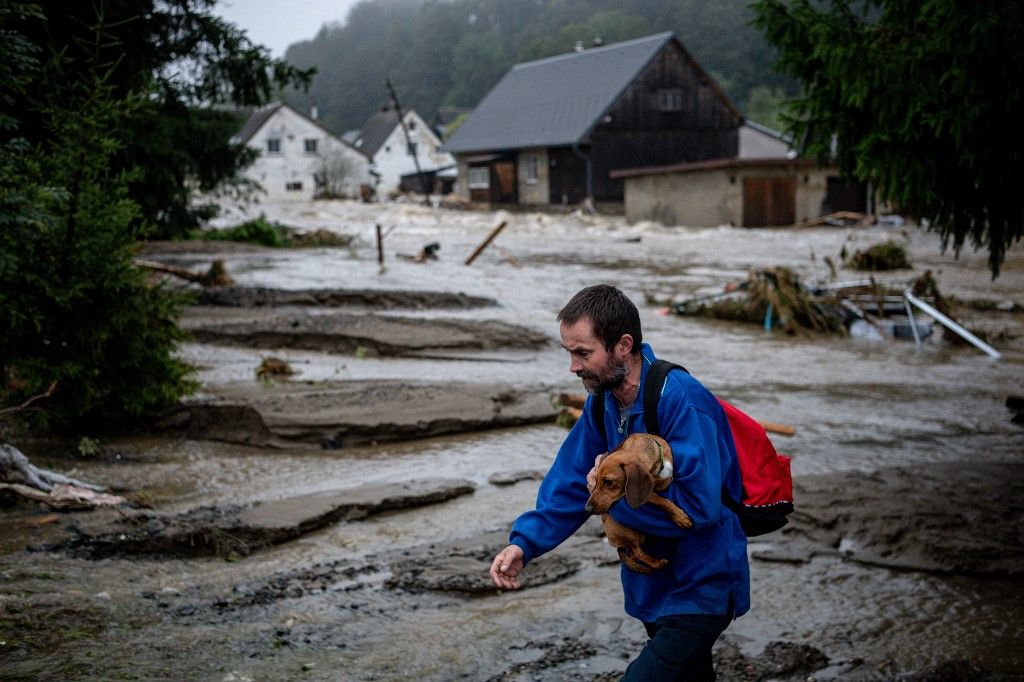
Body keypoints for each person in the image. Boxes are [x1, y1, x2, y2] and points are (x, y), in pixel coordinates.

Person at [489, 284, 749, 681]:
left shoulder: (682, 399)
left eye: (583, 353)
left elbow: (699, 508)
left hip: (702, 586)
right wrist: (525, 543)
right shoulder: (604, 401)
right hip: (651, 585)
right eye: (570, 353)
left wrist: (616, 498)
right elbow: (574, 479)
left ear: (623, 345)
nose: (573, 367)